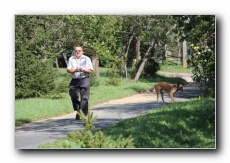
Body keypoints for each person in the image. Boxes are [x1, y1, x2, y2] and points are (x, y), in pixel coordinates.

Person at [67, 46, 93, 120]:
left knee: (84, 98)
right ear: (74, 52)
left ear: (82, 51)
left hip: (84, 79)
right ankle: (79, 110)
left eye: (79, 50)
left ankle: (82, 114)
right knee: (73, 95)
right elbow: (68, 70)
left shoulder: (86, 59)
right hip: (74, 80)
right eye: (76, 51)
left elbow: (90, 71)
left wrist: (83, 69)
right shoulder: (71, 59)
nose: (78, 52)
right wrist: (75, 70)